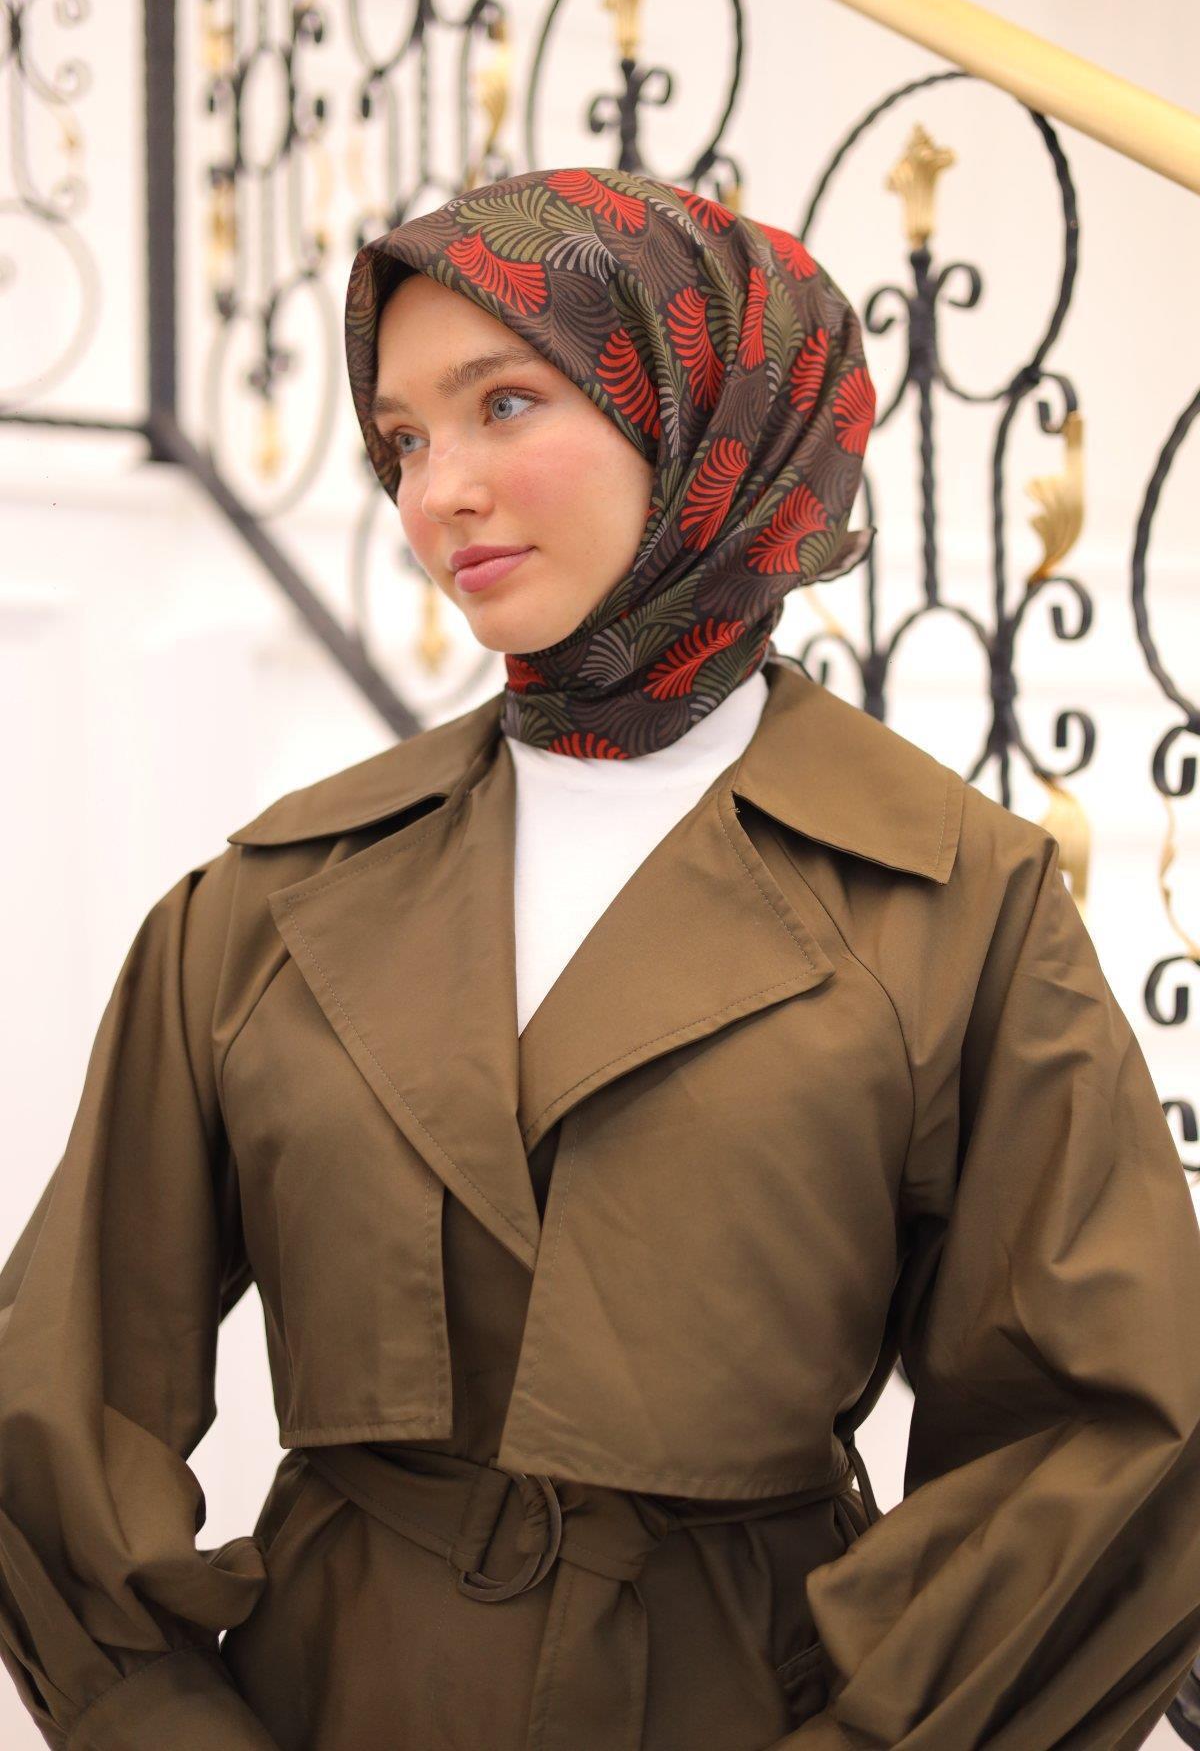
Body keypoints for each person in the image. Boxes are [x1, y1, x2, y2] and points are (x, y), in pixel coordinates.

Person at [1, 165, 1198, 1751]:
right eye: (403, 440)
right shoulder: (265, 901)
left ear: (701, 414)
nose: (437, 493)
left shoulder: (957, 897)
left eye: (504, 403)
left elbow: (1096, 1429)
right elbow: (55, 1399)